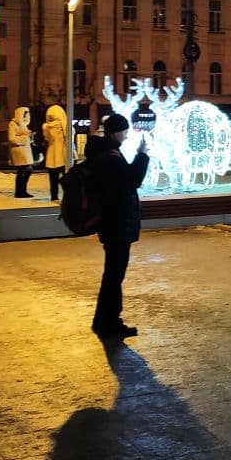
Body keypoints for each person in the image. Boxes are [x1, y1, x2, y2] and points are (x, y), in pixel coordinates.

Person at [87, 113, 149, 338]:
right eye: (124, 130)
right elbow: (132, 181)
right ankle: (110, 322)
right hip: (116, 223)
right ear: (115, 132)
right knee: (114, 275)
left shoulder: (104, 152)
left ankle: (102, 319)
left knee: (112, 274)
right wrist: (142, 156)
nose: (126, 134)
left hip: (113, 222)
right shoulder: (109, 155)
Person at [43, 104, 69, 201]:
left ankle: (54, 196)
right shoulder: (63, 123)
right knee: (67, 177)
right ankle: (68, 195)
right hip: (63, 153)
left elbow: (46, 138)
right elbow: (69, 136)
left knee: (53, 179)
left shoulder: (46, 126)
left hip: (51, 155)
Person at [8, 106, 35, 198]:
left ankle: (23, 191)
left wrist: (30, 136)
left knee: (27, 171)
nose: (26, 116)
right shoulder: (13, 124)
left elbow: (26, 138)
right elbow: (12, 139)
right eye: (24, 114)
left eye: (27, 114)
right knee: (23, 171)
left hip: (25, 150)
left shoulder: (24, 124)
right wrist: (25, 137)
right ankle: (20, 192)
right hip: (19, 151)